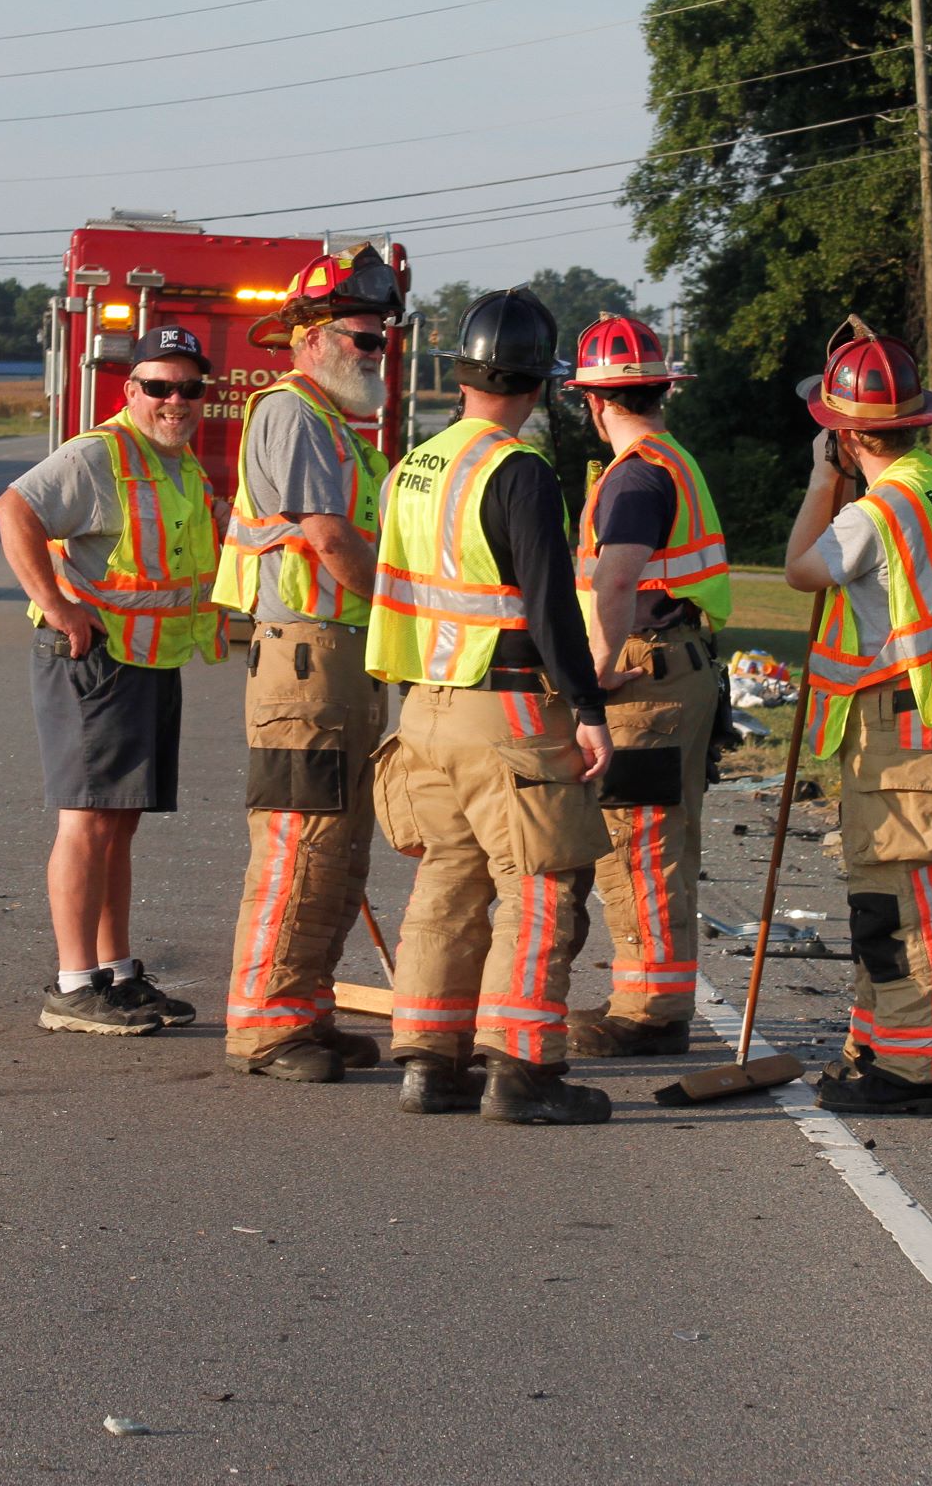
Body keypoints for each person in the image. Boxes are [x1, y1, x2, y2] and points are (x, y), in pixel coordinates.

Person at [365, 286, 619, 1124]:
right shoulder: (519, 472)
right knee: (540, 889)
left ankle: (430, 1066)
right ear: (538, 384)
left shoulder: (412, 467)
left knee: (447, 882)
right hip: (505, 714)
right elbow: (549, 607)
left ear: (464, 374)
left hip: (424, 712)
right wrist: (587, 708)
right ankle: (522, 1073)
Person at [781, 319, 932, 1114]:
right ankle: (882, 1045)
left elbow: (800, 572)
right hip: (924, 718)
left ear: (844, 437)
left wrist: (819, 483)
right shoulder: (931, 486)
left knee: (897, 902)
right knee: (888, 897)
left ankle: (918, 1068)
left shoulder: (871, 514)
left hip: (900, 731)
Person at [0, 324, 226, 1036]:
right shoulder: (100, 453)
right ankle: (72, 985)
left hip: (149, 659)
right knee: (87, 821)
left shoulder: (181, 463)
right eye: (158, 387)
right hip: (95, 659)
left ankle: (116, 974)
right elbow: (15, 510)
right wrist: (61, 607)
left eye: (188, 389)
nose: (174, 400)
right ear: (131, 391)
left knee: (118, 825)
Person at [210, 244, 406, 1083]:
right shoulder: (291, 414)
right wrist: (406, 616)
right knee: (299, 844)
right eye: (364, 339)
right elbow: (327, 539)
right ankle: (265, 1026)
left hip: (337, 661)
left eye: (382, 342)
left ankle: (306, 1009)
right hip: (305, 661)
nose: (377, 354)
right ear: (313, 336)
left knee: (338, 845)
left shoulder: (337, 428)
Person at [562, 312, 730, 1058]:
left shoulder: (630, 477)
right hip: (682, 670)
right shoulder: (672, 459)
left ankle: (647, 1014)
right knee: (664, 844)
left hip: (646, 681)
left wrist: (594, 670)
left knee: (636, 848)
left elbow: (617, 577)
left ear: (593, 403)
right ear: (660, 390)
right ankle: (659, 999)